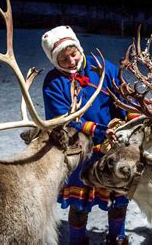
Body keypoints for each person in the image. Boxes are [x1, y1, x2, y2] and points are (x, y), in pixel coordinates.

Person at [41, 25, 138, 245]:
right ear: (54, 61)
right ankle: (77, 241)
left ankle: (117, 238)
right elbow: (65, 119)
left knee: (119, 200)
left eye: (73, 53)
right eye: (63, 59)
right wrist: (99, 131)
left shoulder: (102, 68)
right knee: (79, 205)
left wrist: (132, 118)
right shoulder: (54, 84)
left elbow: (124, 98)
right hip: (80, 153)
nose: (72, 61)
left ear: (79, 48)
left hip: (114, 148)